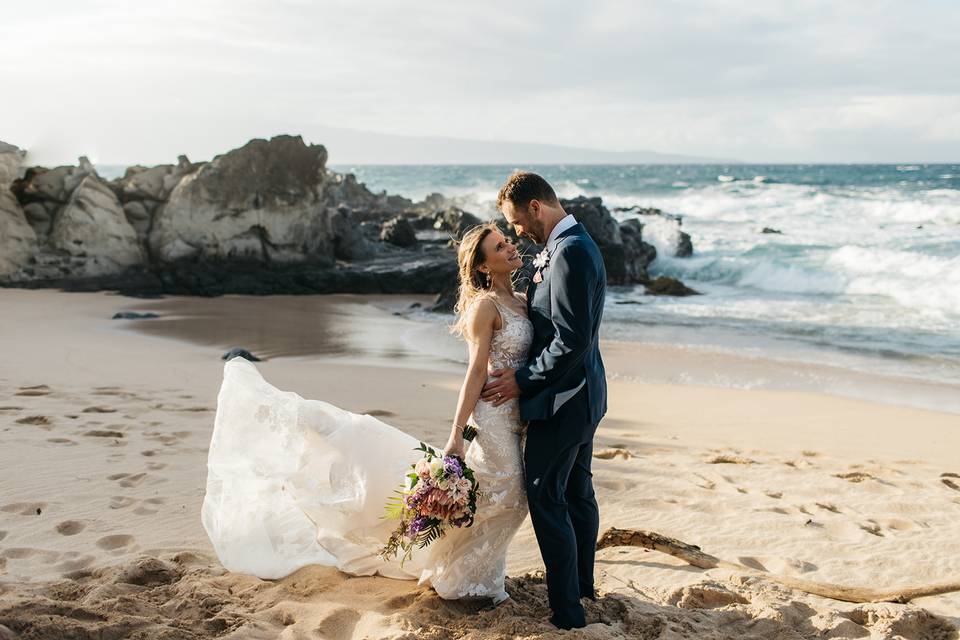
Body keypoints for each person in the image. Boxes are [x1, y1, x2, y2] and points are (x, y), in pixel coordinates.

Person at [201, 222, 534, 606]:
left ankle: (473, 574)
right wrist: (456, 433)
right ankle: (463, 580)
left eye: (507, 240)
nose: (510, 247)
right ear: (483, 267)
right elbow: (475, 371)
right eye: (498, 246)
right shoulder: (485, 307)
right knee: (508, 497)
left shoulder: (524, 301)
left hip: (519, 417)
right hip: (491, 417)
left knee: (501, 500)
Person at [481, 171, 607, 630]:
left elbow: (571, 340)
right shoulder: (564, 245)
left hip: (565, 400)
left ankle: (568, 611)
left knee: (546, 497)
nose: (516, 232)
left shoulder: (571, 251)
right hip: (582, 395)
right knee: (576, 492)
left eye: (515, 221)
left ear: (535, 207)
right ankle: (582, 587)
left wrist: (523, 380)